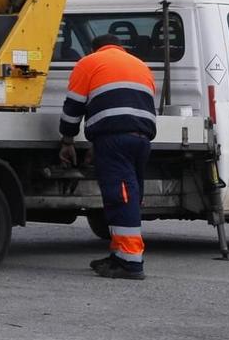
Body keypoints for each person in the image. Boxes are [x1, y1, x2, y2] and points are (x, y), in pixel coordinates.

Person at [58, 33, 159, 280]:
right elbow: (131, 105)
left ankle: (131, 263)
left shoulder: (90, 62)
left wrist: (68, 139)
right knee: (130, 196)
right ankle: (119, 256)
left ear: (95, 49)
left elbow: (73, 107)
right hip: (142, 139)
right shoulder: (140, 65)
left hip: (114, 140)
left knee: (120, 197)